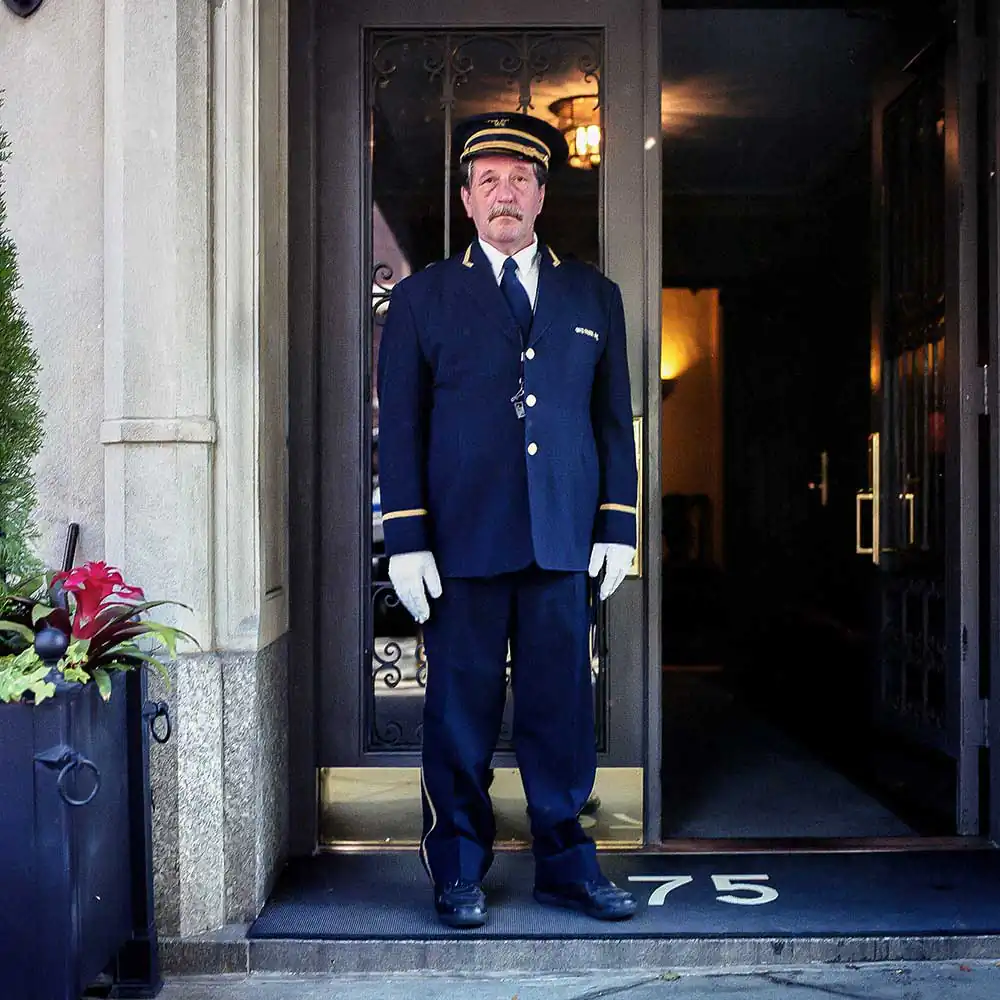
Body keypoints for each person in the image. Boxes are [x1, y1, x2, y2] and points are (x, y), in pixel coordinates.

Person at [376, 111, 638, 928]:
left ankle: (567, 864)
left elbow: (610, 420)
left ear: (542, 194)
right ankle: (457, 867)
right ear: (465, 198)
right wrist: (407, 537)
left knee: (561, 713)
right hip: (461, 544)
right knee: (459, 714)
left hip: (561, 539)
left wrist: (619, 524)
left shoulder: (593, 294)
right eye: (488, 180)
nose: (505, 193)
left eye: (520, 179)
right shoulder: (420, 299)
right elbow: (402, 427)